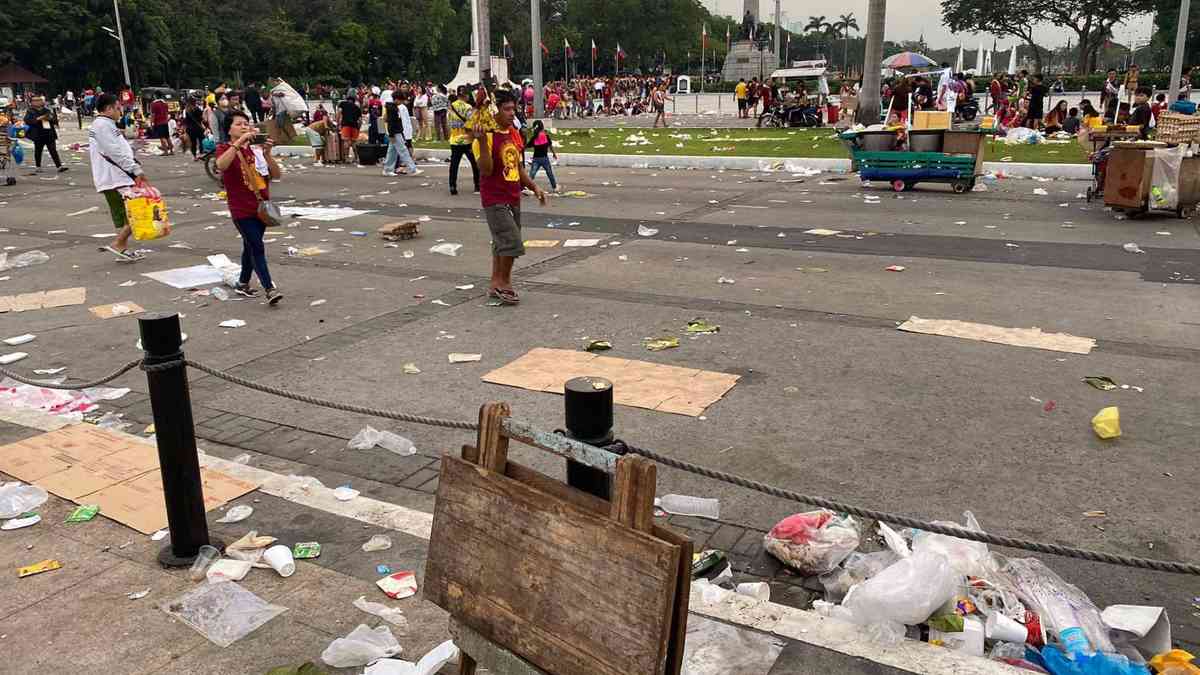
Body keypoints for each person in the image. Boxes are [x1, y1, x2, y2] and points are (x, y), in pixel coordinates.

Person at [466, 90, 546, 305]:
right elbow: (486, 169)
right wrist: (482, 141)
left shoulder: (514, 133)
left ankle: (496, 283)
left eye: (514, 108)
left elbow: (517, 167)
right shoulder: (486, 137)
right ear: (495, 111)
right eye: (507, 109)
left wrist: (534, 186)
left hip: (513, 196)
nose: (512, 113)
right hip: (494, 198)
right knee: (511, 241)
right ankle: (504, 284)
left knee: (501, 243)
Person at [214, 110, 283, 305]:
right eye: (239, 124)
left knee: (250, 246)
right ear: (229, 129)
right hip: (241, 209)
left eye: (246, 123)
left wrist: (268, 154)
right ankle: (269, 288)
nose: (244, 126)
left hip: (261, 208)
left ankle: (243, 283)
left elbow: (276, 175)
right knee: (257, 247)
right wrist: (239, 142)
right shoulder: (224, 148)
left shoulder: (257, 151)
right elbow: (221, 165)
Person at [89, 93, 149, 262]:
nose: (120, 111)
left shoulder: (105, 124)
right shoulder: (102, 125)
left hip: (115, 176)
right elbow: (114, 152)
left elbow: (117, 148)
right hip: (116, 177)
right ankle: (118, 243)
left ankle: (121, 248)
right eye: (117, 108)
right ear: (108, 109)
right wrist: (135, 169)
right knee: (137, 211)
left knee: (124, 214)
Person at [447, 87, 479, 195]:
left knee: (454, 165)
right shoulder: (468, 107)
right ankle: (477, 186)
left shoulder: (451, 106)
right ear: (466, 95)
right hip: (467, 140)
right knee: (475, 164)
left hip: (455, 139)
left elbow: (449, 122)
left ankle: (452, 186)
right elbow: (471, 122)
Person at [24, 96, 66, 173]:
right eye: (36, 101)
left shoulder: (47, 110)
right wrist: (39, 118)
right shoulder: (30, 111)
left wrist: (51, 118)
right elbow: (27, 121)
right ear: (32, 103)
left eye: (40, 100)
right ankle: (38, 166)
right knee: (38, 150)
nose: (39, 102)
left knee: (53, 150)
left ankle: (59, 166)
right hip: (38, 133)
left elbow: (54, 120)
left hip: (49, 133)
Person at [382, 92, 420, 177]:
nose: (401, 103)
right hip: (395, 132)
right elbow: (391, 123)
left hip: (396, 132)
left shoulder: (393, 107)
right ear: (396, 99)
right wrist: (391, 135)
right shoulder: (392, 109)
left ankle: (387, 169)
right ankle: (412, 169)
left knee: (392, 151)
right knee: (403, 150)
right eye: (401, 101)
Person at [527, 121, 558, 192]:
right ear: (542, 127)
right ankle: (555, 187)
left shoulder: (534, 137)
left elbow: (527, 146)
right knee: (550, 173)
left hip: (536, 159)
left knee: (532, 174)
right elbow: (550, 146)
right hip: (545, 159)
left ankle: (527, 187)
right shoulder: (546, 136)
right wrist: (554, 154)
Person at [336, 93, 361, 163]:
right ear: (354, 101)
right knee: (354, 142)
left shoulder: (343, 104)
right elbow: (360, 120)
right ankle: (357, 158)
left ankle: (346, 158)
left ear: (347, 99)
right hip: (355, 126)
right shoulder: (357, 108)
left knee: (346, 141)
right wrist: (358, 128)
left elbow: (339, 113)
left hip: (346, 125)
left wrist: (338, 123)